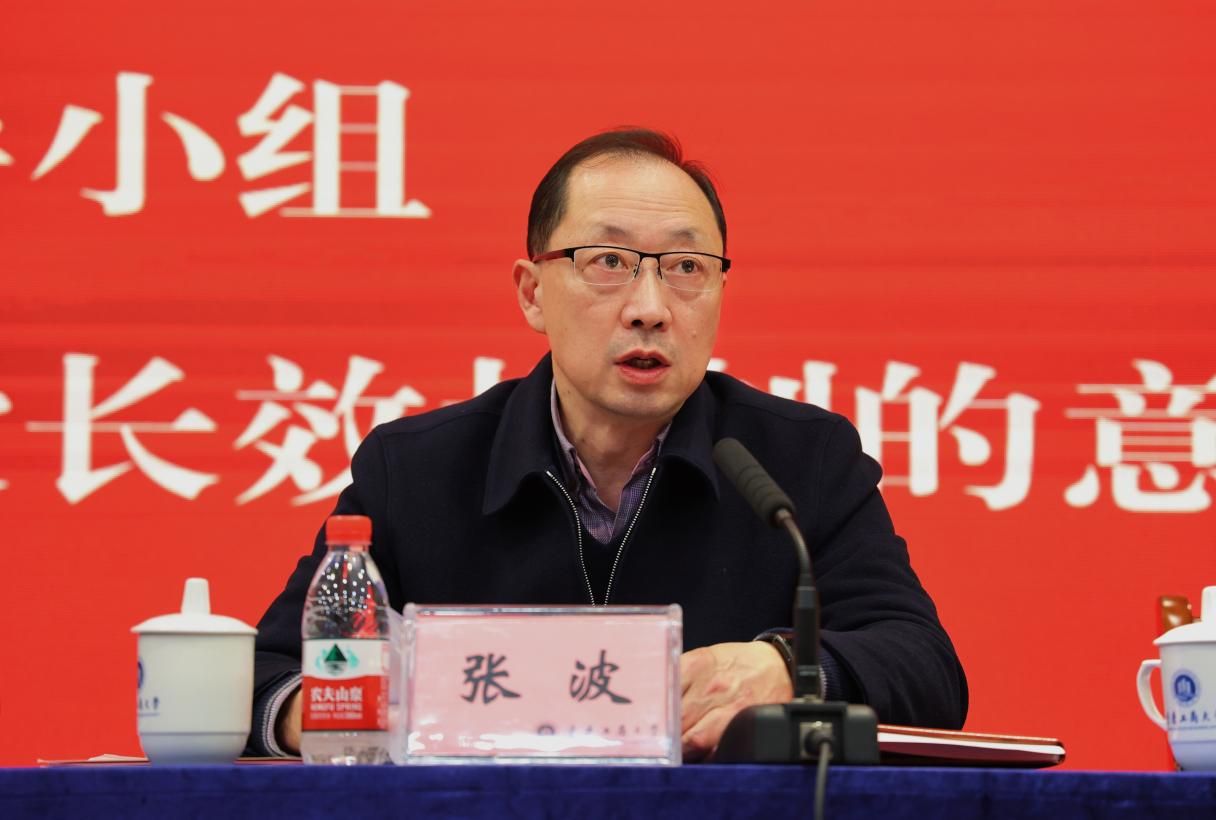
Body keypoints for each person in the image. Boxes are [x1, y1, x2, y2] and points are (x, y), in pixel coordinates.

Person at [249, 128, 967, 761]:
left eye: (686, 268)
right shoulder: (414, 470)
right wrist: (354, 710)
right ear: (532, 292)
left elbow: (926, 669)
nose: (650, 308)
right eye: (609, 262)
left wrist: (789, 667)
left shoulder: (800, 462)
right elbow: (269, 676)